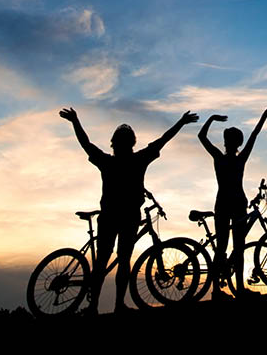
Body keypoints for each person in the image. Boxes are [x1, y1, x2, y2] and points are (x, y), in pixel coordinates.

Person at [59, 106, 199, 313]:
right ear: (132, 143)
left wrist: (75, 122)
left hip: (109, 216)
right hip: (128, 217)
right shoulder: (138, 160)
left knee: (103, 261)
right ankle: (117, 305)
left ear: (114, 144)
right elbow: (163, 139)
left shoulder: (107, 162)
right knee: (123, 260)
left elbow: (86, 145)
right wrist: (181, 122)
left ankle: (94, 306)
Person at [198, 107, 267, 298]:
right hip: (235, 204)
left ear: (226, 142)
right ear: (237, 143)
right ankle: (236, 289)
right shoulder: (239, 158)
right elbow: (255, 135)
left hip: (225, 204)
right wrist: (263, 117)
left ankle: (219, 290)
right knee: (237, 248)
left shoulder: (219, 157)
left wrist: (211, 119)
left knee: (224, 248)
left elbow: (202, 136)